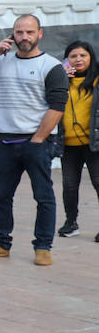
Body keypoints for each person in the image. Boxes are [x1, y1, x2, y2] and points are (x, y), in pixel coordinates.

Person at [0, 14, 67, 265]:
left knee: (43, 196)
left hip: (37, 141)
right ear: (12, 35)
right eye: (19, 32)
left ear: (40, 34)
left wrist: (38, 140)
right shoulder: (1, 62)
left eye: (30, 32)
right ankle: (0, 243)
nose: (24, 37)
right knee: (1, 195)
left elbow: (57, 107)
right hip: (6, 141)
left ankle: (43, 247)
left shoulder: (51, 66)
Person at [57, 40, 99, 240]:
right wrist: (60, 80)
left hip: (94, 144)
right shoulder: (61, 81)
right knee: (69, 186)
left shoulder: (97, 81)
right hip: (68, 145)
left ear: (91, 57)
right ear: (67, 60)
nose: (78, 59)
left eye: (83, 55)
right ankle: (70, 223)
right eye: (73, 56)